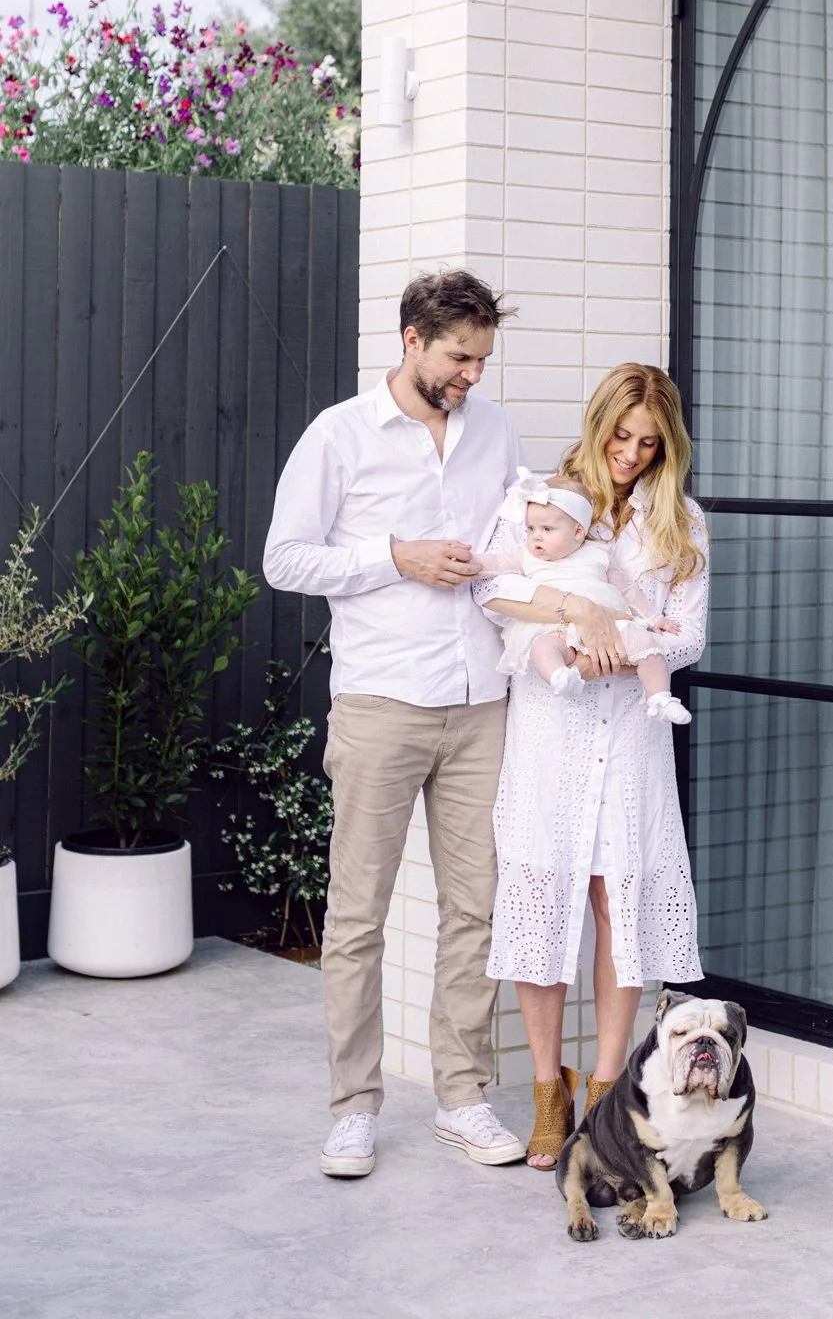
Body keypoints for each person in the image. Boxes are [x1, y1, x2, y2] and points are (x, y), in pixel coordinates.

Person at [262, 268, 528, 1179]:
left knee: (477, 909)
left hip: (484, 702)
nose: (472, 377)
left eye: (482, 360)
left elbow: (514, 543)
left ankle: (462, 1097)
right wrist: (395, 557)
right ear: (412, 340)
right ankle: (353, 1110)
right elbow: (285, 560)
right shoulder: (339, 435)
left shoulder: (494, 430)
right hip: (381, 701)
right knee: (357, 914)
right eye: (460, 358)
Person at [473, 364, 708, 1170]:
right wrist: (578, 623)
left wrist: (624, 652)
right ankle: (550, 1092)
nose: (632, 454)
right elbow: (491, 589)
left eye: (650, 444)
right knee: (542, 893)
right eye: (621, 436)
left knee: (617, 899)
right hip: (552, 728)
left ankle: (607, 1095)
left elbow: (689, 636)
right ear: (597, 425)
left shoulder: (682, 523)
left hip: (632, 734)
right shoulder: (542, 499)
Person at [483, 467, 690, 722]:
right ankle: (560, 676)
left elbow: (628, 590)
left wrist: (654, 619)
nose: (536, 537)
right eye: (530, 529)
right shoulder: (525, 556)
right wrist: (471, 562)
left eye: (547, 529)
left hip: (609, 625)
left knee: (648, 647)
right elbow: (495, 563)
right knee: (542, 648)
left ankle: (660, 698)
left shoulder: (598, 554)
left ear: (577, 532)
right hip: (556, 626)